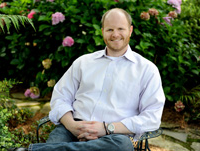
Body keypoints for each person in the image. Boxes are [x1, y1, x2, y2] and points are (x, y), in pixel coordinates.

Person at [9, 8, 165, 151]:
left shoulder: (146, 69)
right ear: (102, 31)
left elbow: (152, 117)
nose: (115, 34)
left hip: (114, 136)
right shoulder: (84, 62)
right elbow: (60, 97)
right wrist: (72, 125)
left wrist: (106, 128)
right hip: (72, 128)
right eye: (109, 29)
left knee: (123, 146)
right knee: (58, 142)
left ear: (130, 31)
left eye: (120, 29)